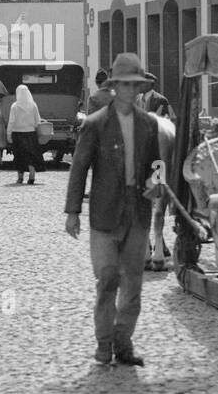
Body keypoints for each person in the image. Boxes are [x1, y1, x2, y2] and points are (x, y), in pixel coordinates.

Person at [64, 53, 171, 367]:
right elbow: (79, 168)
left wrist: (157, 185)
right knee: (107, 278)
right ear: (114, 87)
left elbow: (156, 164)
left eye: (133, 84)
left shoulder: (149, 125)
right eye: (122, 84)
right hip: (105, 213)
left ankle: (124, 343)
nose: (128, 89)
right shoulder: (96, 124)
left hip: (137, 213)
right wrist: (73, 212)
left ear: (139, 88)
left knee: (134, 285)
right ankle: (104, 343)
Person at [7, 84, 44, 185]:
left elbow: (11, 121)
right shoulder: (33, 105)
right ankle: (32, 175)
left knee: (19, 156)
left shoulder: (14, 106)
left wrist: (8, 134)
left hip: (17, 134)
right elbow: (37, 120)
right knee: (30, 156)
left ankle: (20, 178)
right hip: (31, 134)